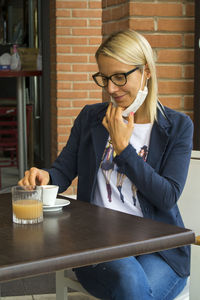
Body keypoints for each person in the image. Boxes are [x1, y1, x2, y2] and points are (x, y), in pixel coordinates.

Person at [19, 30, 193, 300]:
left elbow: (167, 196)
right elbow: (62, 172)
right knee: (130, 282)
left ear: (146, 71)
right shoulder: (91, 118)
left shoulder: (178, 127)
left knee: (133, 291)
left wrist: (124, 149)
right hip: (99, 245)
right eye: (104, 78)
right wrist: (44, 175)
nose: (111, 88)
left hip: (158, 250)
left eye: (120, 77)